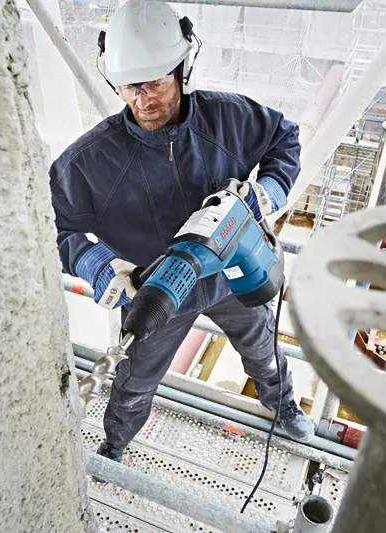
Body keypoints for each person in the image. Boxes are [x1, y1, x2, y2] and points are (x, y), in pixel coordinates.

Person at [49, 0, 315, 465]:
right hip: (157, 294)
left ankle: (282, 403)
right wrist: (95, 264)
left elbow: (284, 137)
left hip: (232, 274)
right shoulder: (89, 162)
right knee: (135, 379)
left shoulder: (228, 119)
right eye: (130, 86)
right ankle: (116, 443)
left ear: (182, 69)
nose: (143, 99)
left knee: (262, 344)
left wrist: (266, 194)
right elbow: (53, 225)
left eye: (155, 81)